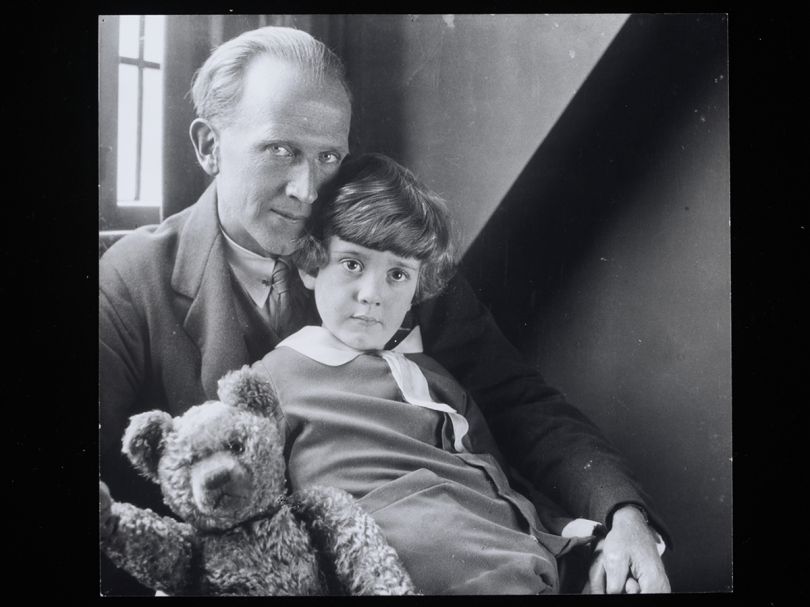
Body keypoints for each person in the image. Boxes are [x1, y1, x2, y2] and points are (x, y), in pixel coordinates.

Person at [99, 25, 670, 594]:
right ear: (208, 146)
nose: (307, 188)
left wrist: (625, 517)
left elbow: (517, 401)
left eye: (328, 156)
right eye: (280, 150)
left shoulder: (385, 250)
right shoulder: (130, 281)